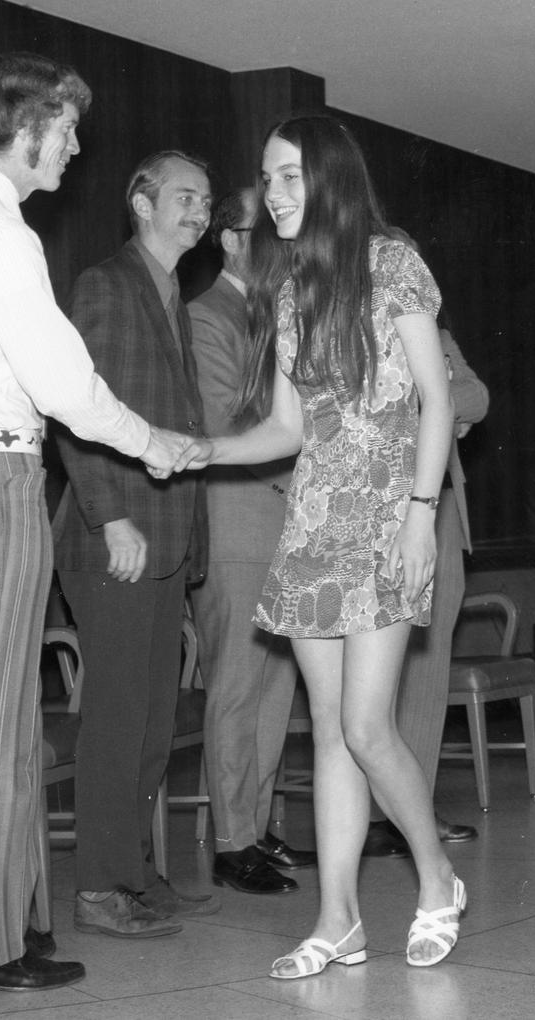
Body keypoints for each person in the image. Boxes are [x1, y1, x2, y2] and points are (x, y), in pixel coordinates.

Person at [0, 53, 198, 996]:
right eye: (66, 129)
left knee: (9, 718)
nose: (76, 145)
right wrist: (151, 443)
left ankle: (14, 925)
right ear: (26, 129)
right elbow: (62, 381)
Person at [187, 114, 465, 973]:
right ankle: (337, 918)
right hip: (312, 527)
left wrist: (422, 514)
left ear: (331, 179)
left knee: (366, 725)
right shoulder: (291, 285)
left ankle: (438, 880)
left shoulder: (392, 264)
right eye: (267, 179)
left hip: (387, 518)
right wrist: (205, 447)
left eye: (289, 177)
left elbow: (437, 400)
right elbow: (284, 425)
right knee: (330, 730)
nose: (272, 195)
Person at [52, 151, 218, 938]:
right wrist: (110, 515)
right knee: (118, 719)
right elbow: (77, 408)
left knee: (154, 721)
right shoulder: (106, 284)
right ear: (141, 203)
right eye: (186, 197)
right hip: (115, 536)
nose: (201, 210)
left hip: (165, 538)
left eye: (207, 200)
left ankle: (133, 874)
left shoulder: (171, 293)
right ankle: (98, 889)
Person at [188, 187, 315, 895]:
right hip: (238, 517)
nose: (281, 243)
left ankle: (258, 828)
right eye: (264, 230)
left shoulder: (276, 313)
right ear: (231, 240)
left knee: (276, 688)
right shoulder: (206, 315)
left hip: (286, 519)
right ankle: (232, 839)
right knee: (238, 687)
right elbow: (228, 419)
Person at [364, 304, 489, 858]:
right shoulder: (358, 332)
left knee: (429, 667)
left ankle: (414, 810)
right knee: (372, 679)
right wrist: (437, 407)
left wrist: (433, 402)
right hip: (378, 516)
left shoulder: (437, 333)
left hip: (438, 515)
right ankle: (373, 812)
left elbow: (477, 397)